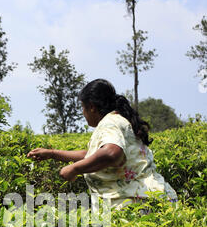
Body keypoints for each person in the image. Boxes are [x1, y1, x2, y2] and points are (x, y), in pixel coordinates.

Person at [27, 79, 178, 210]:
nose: (83, 113)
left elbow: (112, 153)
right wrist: (52, 153)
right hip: (156, 199)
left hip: (138, 205)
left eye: (83, 107)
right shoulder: (118, 120)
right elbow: (92, 156)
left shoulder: (110, 122)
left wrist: (74, 169)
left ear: (91, 107)